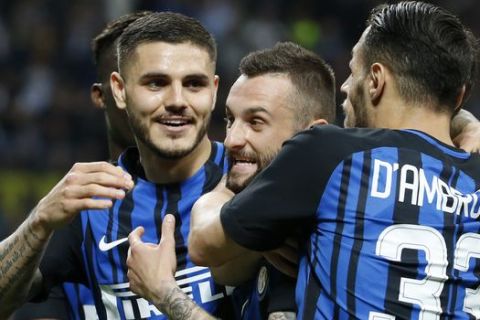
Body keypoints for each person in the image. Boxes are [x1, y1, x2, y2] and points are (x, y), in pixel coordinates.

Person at [188, 1, 480, 319]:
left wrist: (236, 196)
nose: (344, 86)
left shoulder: (329, 154)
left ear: (375, 80)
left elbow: (204, 244)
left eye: (353, 72)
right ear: (459, 96)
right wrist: (465, 121)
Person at [0, 12, 230, 320]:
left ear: (214, 91)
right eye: (156, 83)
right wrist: (38, 222)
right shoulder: (91, 201)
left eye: (193, 84)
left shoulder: (251, 181)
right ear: (119, 90)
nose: (177, 100)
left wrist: (164, 295)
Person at [127, 41, 337, 320]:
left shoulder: (325, 239)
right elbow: (213, 252)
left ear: (313, 136)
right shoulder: (261, 206)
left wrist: (163, 292)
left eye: (256, 122)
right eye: (230, 119)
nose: (231, 140)